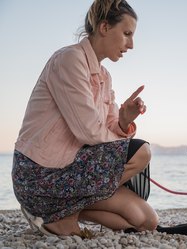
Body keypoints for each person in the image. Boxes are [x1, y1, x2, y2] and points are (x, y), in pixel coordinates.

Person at [11, 0, 158, 237]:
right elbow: (89, 133)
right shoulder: (69, 59)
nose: (131, 45)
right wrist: (124, 148)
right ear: (104, 28)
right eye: (127, 34)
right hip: (40, 174)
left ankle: (62, 212)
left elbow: (106, 131)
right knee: (142, 152)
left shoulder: (104, 76)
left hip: (76, 173)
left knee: (147, 221)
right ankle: (55, 214)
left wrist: (123, 121)